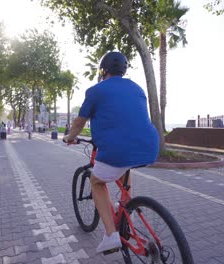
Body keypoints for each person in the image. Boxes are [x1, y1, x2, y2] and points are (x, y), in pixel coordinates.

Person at [62, 51, 159, 254]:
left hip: (116, 149)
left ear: (103, 70)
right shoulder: (137, 88)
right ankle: (127, 212)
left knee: (97, 181)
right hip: (149, 146)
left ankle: (110, 235)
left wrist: (69, 137)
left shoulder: (95, 91)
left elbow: (80, 121)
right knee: (125, 170)